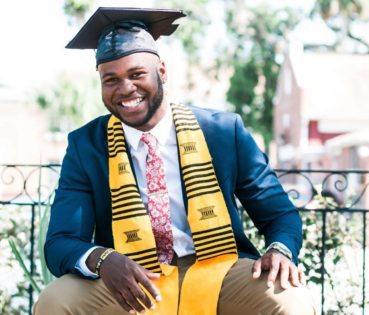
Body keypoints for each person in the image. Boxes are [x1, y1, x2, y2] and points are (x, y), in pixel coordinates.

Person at [34, 7, 315, 315]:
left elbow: (279, 215)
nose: (125, 88)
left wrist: (279, 250)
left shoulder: (222, 132)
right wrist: (102, 259)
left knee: (290, 301)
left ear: (162, 72)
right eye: (110, 79)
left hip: (219, 269)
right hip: (133, 277)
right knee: (55, 302)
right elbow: (60, 242)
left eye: (137, 74)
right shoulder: (87, 145)